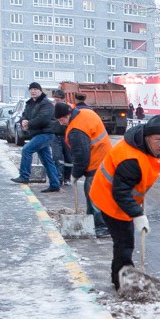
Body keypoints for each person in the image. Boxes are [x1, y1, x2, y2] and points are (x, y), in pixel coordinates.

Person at [89, 115, 160, 289]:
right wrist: (137, 214)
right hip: (109, 199)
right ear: (146, 137)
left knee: (124, 241)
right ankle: (121, 282)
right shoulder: (131, 160)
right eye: (157, 140)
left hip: (120, 196)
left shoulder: (144, 145)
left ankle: (120, 277)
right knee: (124, 243)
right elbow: (120, 193)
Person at [55, 102, 113, 238]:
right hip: (106, 158)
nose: (61, 123)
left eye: (61, 120)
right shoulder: (86, 113)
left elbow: (81, 156)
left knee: (93, 194)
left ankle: (101, 227)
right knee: (99, 194)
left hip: (97, 163)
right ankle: (94, 222)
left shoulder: (76, 130)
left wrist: (75, 174)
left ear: (68, 115)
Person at [11, 82, 61, 192]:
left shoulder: (46, 103)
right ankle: (55, 184)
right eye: (31, 89)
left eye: (35, 89)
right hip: (38, 134)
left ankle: (24, 176)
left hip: (46, 133)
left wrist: (28, 123)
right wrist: (23, 121)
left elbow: (43, 118)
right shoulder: (29, 103)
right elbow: (24, 115)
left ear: (40, 90)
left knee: (27, 150)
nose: (33, 91)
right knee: (47, 161)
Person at [51, 89, 73, 186]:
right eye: (55, 98)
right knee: (57, 157)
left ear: (63, 99)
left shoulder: (69, 108)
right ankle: (59, 178)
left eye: (58, 99)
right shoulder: (52, 107)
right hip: (55, 136)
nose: (56, 100)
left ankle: (67, 177)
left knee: (68, 158)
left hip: (66, 135)